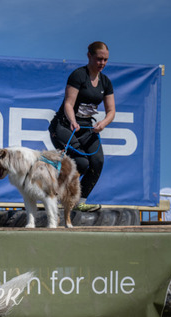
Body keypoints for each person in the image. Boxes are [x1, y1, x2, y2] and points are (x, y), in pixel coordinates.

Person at [49, 41, 116, 212]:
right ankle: (54, 194)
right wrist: (72, 120)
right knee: (81, 162)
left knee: (97, 162)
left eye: (105, 60)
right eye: (99, 59)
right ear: (89, 56)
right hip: (64, 126)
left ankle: (79, 201)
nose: (102, 63)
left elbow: (111, 111)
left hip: (86, 128)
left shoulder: (106, 82)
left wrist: (103, 123)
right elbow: (68, 104)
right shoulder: (78, 75)